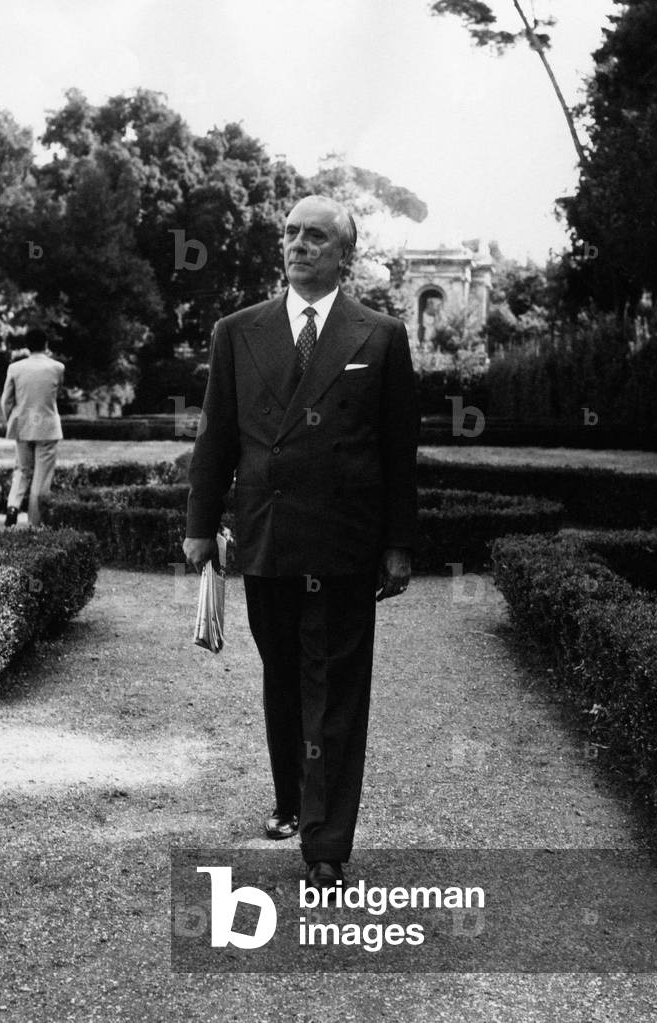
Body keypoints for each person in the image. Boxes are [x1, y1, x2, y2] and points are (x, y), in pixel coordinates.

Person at [183, 195, 419, 890]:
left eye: (316, 235)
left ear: (346, 254)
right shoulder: (238, 330)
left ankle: (326, 843)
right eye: (291, 233)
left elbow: (398, 450)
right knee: (284, 676)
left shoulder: (380, 336)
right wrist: (199, 524)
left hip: (345, 543)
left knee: (336, 688)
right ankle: (292, 798)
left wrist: (398, 543)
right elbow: (216, 435)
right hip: (269, 535)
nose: (299, 244)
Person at [1, 327, 65, 528]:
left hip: (23, 425)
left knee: (22, 470)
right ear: (46, 344)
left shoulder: (15, 368)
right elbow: (56, 395)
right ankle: (34, 524)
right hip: (47, 427)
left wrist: (11, 421)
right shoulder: (58, 368)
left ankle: (13, 506)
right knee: (41, 478)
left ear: (27, 346)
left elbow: (6, 401)